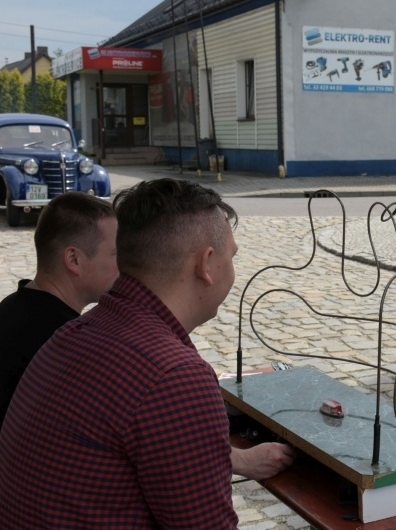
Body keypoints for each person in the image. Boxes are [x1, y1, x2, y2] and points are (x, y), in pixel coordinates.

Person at [0, 179, 295, 527]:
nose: (233, 266)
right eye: (231, 255)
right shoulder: (172, 375)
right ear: (206, 264)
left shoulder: (73, 332)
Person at [0, 191, 118, 428]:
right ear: (73, 259)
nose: (124, 265)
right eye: (116, 253)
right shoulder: (64, 341)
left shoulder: (12, 306)